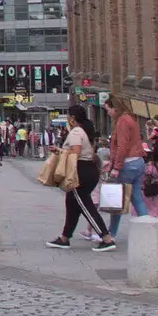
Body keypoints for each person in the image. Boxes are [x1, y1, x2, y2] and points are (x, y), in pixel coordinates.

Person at [46, 103, 116, 251]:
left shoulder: (76, 132)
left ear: (72, 118)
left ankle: (106, 238)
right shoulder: (84, 130)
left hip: (81, 172)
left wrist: (60, 150)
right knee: (72, 204)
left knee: (85, 206)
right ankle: (65, 237)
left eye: (68, 117)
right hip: (87, 170)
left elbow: (75, 152)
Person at [104, 95, 151, 239]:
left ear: (115, 108)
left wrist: (116, 167)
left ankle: (111, 234)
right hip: (138, 163)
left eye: (108, 109)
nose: (108, 113)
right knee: (136, 197)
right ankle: (148, 229)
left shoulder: (122, 121)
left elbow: (122, 146)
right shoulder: (131, 119)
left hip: (127, 164)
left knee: (116, 201)